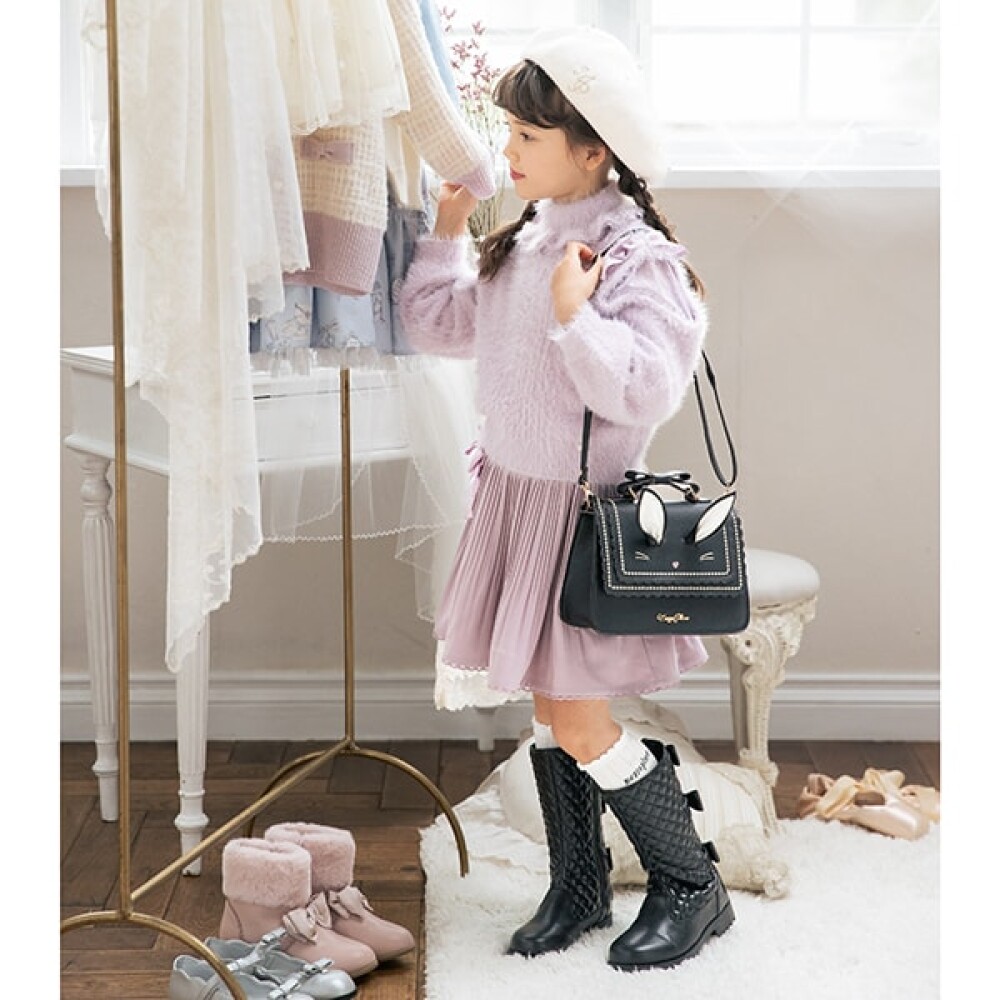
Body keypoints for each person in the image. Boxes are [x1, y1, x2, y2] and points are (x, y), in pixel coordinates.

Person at [399, 25, 734, 971]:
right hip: (515, 508)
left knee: (580, 720)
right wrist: (447, 230)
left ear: (593, 151)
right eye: (507, 132)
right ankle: (579, 887)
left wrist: (573, 316)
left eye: (526, 137)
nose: (506, 151)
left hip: (579, 523)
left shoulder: (637, 259)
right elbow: (437, 326)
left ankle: (692, 885)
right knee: (549, 717)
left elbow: (643, 391)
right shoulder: (525, 241)